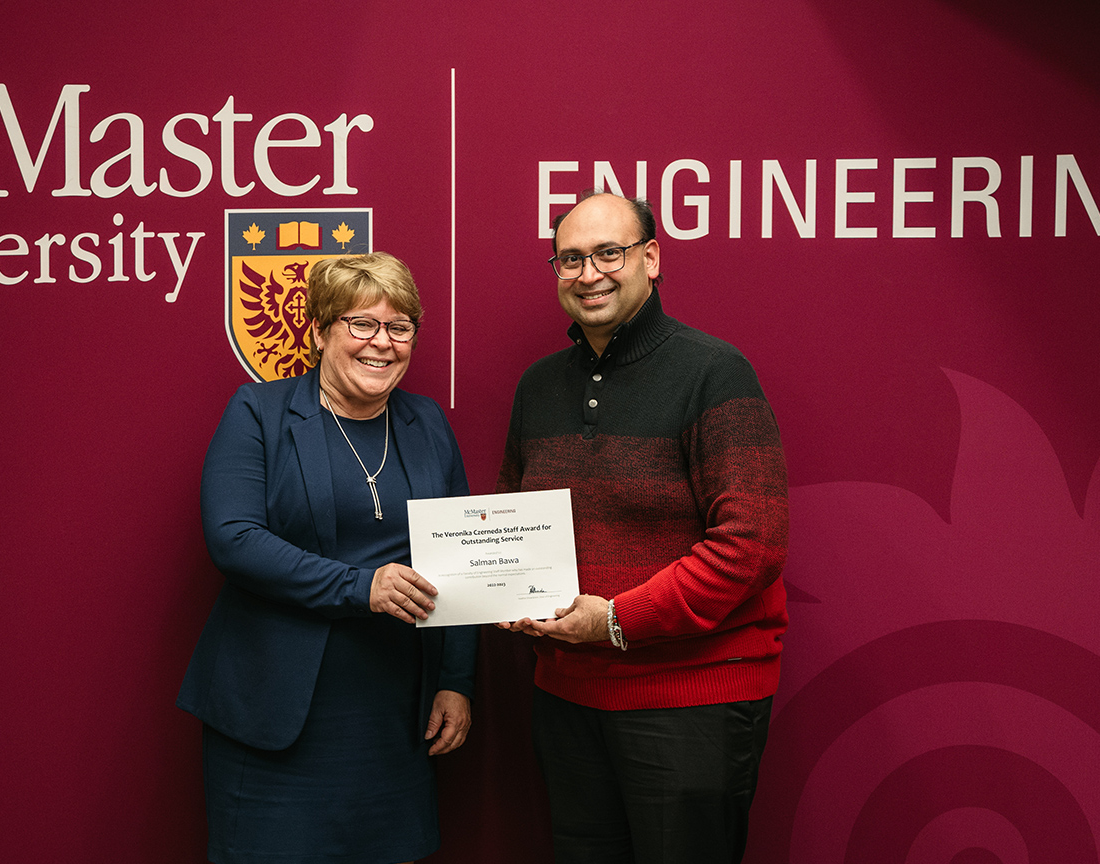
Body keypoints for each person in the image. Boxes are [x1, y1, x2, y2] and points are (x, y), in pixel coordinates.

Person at [497, 192, 789, 864]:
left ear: (651, 259)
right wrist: (502, 594)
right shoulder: (538, 386)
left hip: (689, 702)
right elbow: (510, 514)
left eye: (609, 253)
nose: (589, 273)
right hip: (567, 699)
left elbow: (752, 545)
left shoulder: (713, 373)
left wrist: (616, 620)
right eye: (570, 259)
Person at [177, 251, 477, 864]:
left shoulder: (426, 424)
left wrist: (455, 681)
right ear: (320, 331)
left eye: (399, 328)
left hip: (395, 717)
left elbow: (463, 558)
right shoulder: (258, 413)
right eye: (360, 324)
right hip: (274, 715)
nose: (381, 344)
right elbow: (232, 537)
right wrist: (358, 586)